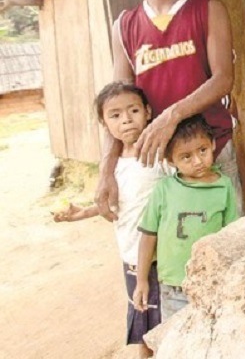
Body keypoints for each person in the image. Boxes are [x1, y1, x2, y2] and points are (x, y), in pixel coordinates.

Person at [94, 0, 242, 221]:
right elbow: (117, 104)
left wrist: (171, 116)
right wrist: (107, 168)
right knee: (171, 251)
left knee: (229, 244)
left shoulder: (208, 8)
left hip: (210, 148)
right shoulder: (124, 25)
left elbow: (223, 79)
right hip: (158, 157)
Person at [53, 82, 163, 359]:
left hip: (164, 254)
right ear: (105, 124)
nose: (126, 119)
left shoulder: (161, 155)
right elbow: (118, 206)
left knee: (167, 318)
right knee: (143, 318)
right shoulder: (114, 168)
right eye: (115, 115)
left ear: (148, 112)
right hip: (131, 255)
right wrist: (83, 212)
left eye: (133, 110)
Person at [133, 115, 238, 321]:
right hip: (174, 287)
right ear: (170, 161)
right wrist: (141, 280)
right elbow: (148, 235)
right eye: (186, 157)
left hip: (212, 282)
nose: (198, 161)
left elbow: (231, 234)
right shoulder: (165, 189)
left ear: (213, 144)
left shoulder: (224, 186)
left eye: (203, 150)